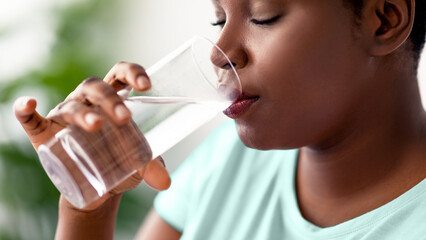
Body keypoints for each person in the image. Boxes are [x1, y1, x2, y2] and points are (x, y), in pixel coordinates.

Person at [14, 0, 426, 239]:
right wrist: (88, 210)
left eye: (263, 16)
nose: (219, 51)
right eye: (218, 18)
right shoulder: (226, 162)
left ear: (385, 20)